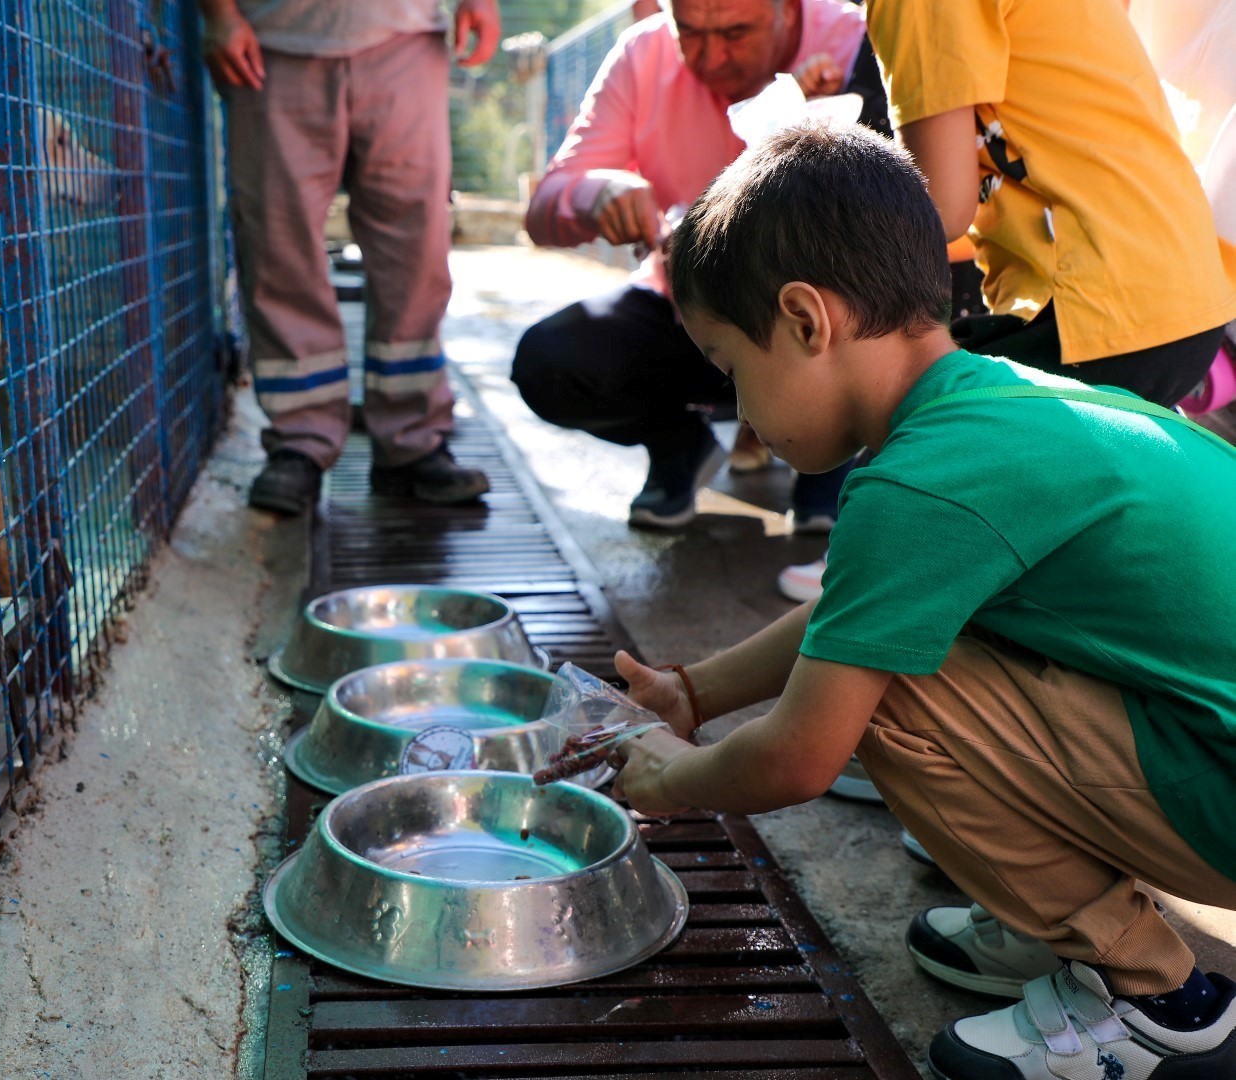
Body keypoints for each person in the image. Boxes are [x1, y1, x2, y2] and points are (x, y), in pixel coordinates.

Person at [609, 124, 1236, 1078]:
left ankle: (1155, 1000)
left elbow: (799, 757)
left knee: (890, 695)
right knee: (912, 634)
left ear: (806, 321)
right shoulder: (995, 400)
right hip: (1206, 738)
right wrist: (693, 693)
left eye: (733, 369)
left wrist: (667, 780)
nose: (740, 411)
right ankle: (1063, 919)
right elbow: (862, 611)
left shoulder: (918, 485)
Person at [776, 0, 1236, 601]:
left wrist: (800, 211)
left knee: (905, 478)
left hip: (1100, 300)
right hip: (1172, 283)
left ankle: (858, 618)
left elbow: (940, 205)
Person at [512, 0, 876, 528]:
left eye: (735, 31)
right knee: (550, 363)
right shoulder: (644, 51)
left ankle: (835, 469)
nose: (711, 57)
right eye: (690, 32)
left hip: (819, 325)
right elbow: (545, 208)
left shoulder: (854, 39)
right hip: (690, 317)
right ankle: (678, 445)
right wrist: (597, 193)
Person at [200, 0, 499, 515]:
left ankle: (413, 441)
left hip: (406, 37)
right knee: (278, 243)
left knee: (417, 247)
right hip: (272, 39)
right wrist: (219, 14)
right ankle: (300, 438)